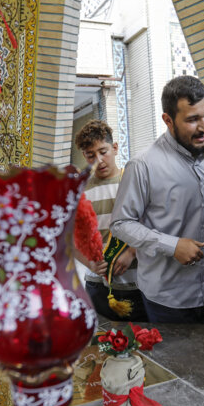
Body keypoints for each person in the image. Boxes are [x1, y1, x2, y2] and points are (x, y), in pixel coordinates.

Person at [110, 75, 204, 323]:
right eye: (192, 120)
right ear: (168, 121)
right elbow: (121, 223)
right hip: (168, 301)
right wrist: (172, 245)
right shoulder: (143, 165)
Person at [73, 119, 147, 322]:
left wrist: (132, 252)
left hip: (139, 282)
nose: (99, 160)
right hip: (98, 286)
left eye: (103, 151)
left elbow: (152, 225)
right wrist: (88, 263)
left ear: (115, 148)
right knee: (104, 345)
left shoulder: (134, 181)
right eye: (91, 155)